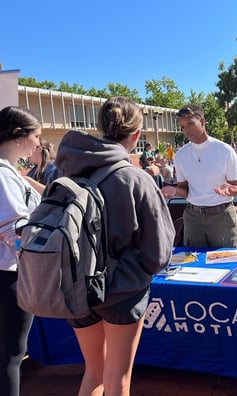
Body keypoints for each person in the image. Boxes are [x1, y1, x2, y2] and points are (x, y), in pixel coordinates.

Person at [54, 97, 175, 396]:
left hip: (76, 285)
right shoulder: (135, 178)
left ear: (99, 128)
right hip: (121, 290)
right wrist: (137, 273)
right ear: (136, 135)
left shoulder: (65, 172)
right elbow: (159, 249)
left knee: (93, 373)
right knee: (118, 379)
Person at [0, 106, 42, 396]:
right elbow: (12, 231)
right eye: (36, 136)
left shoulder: (9, 173)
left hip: (11, 272)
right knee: (12, 354)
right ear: (18, 137)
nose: (39, 143)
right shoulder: (3, 175)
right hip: (11, 275)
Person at [161, 104, 237, 248]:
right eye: (183, 127)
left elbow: (236, 188)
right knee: (194, 264)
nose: (186, 130)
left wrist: (229, 189)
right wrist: (175, 191)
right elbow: (184, 190)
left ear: (202, 122)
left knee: (223, 263)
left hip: (222, 215)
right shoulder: (181, 155)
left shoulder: (225, 151)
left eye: (190, 124)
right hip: (193, 217)